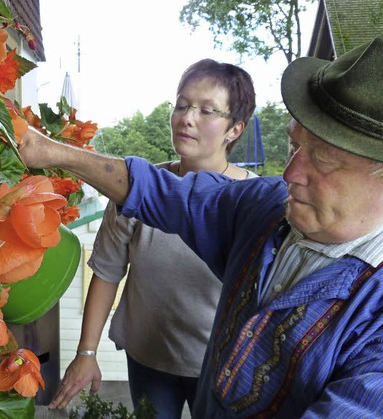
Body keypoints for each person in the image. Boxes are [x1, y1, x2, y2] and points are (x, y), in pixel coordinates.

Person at [19, 25, 383, 418]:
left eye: (324, 158)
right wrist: (52, 152)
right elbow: (167, 194)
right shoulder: (266, 206)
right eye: (294, 145)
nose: (290, 173)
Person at [48, 59, 257, 417]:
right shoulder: (135, 190)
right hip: (147, 359)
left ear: (234, 129)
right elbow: (107, 272)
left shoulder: (254, 201)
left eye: (207, 111)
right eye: (181, 104)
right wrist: (86, 353)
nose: (187, 118)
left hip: (221, 366)